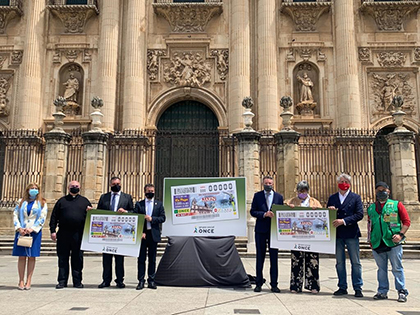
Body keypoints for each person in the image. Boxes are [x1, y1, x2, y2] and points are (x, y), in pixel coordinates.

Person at [368, 181, 411, 302]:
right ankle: (382, 291)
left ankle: (401, 290)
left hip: (393, 242)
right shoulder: (371, 207)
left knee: (397, 268)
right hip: (377, 242)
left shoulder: (396, 204)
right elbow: (369, 224)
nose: (381, 192)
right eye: (378, 190)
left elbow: (406, 221)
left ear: (388, 191)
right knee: (381, 269)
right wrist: (370, 239)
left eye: (383, 190)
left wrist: (401, 234)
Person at [49, 181, 92, 289]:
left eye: (76, 186)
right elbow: (54, 217)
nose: (74, 188)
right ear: (68, 188)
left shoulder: (85, 201)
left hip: (79, 234)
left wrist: (90, 211)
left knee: (78, 258)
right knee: (62, 258)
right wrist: (53, 231)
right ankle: (62, 281)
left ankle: (77, 281)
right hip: (64, 233)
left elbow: (92, 218)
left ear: (80, 188)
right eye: (72, 186)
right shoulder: (62, 201)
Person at [327, 173, 364, 297]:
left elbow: (359, 214)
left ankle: (358, 287)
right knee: (339, 262)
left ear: (349, 183)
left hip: (351, 233)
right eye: (341, 181)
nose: (343, 183)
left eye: (345, 181)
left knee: (356, 261)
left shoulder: (355, 197)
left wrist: (343, 221)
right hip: (337, 234)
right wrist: (330, 210)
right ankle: (342, 286)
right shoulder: (332, 198)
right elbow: (327, 214)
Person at [97, 177, 134, 289]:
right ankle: (106, 280)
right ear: (110, 184)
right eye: (114, 184)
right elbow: (98, 212)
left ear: (121, 184)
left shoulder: (127, 197)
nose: (116, 185)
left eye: (118, 183)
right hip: (107, 233)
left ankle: (120, 280)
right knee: (106, 258)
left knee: (119, 259)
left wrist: (126, 212)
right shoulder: (104, 197)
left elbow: (133, 211)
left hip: (120, 233)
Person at [286, 180, 322, 294]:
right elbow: (282, 211)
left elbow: (322, 216)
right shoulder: (291, 201)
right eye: (300, 190)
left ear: (308, 190)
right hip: (297, 236)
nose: (302, 192)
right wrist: (288, 208)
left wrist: (318, 211)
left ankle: (313, 285)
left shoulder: (314, 202)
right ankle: (295, 285)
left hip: (312, 237)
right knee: (296, 261)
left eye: (304, 190)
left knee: (313, 261)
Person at [250, 175, 284, 293]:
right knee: (260, 257)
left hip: (273, 231)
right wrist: (264, 214)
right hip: (261, 230)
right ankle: (258, 283)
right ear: (262, 183)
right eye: (266, 183)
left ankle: (274, 284)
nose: (268, 185)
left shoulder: (279, 197)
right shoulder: (257, 196)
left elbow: (282, 212)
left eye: (270, 183)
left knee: (274, 258)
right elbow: (253, 211)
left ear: (273, 184)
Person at [12, 182, 48, 290]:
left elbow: (42, 217)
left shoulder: (42, 203)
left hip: (34, 232)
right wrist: (19, 228)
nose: (34, 190)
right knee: (21, 256)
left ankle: (29, 280)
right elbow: (15, 215)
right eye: (32, 188)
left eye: (36, 188)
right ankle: (21, 280)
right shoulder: (21, 202)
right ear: (27, 190)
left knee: (32, 256)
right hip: (22, 231)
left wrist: (32, 229)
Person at [134, 184, 166, 290]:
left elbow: (162, 218)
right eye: (148, 191)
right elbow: (135, 218)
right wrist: (140, 232)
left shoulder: (159, 204)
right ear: (144, 191)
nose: (150, 192)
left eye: (152, 190)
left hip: (153, 235)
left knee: (152, 259)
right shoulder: (139, 204)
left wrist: (152, 219)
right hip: (142, 235)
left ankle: (151, 280)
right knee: (141, 259)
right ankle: (141, 280)